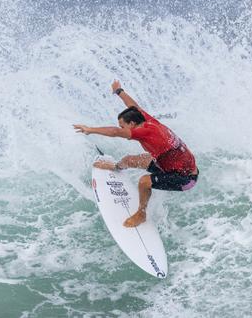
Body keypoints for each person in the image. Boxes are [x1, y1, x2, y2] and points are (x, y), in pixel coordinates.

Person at [73, 80, 198, 227]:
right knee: (129, 160)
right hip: (170, 165)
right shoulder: (146, 120)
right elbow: (133, 106)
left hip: (186, 178)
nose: (121, 128)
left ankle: (141, 213)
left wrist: (90, 129)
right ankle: (116, 167)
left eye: (123, 126)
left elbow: (114, 132)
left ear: (132, 124)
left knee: (144, 181)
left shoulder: (145, 132)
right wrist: (119, 91)